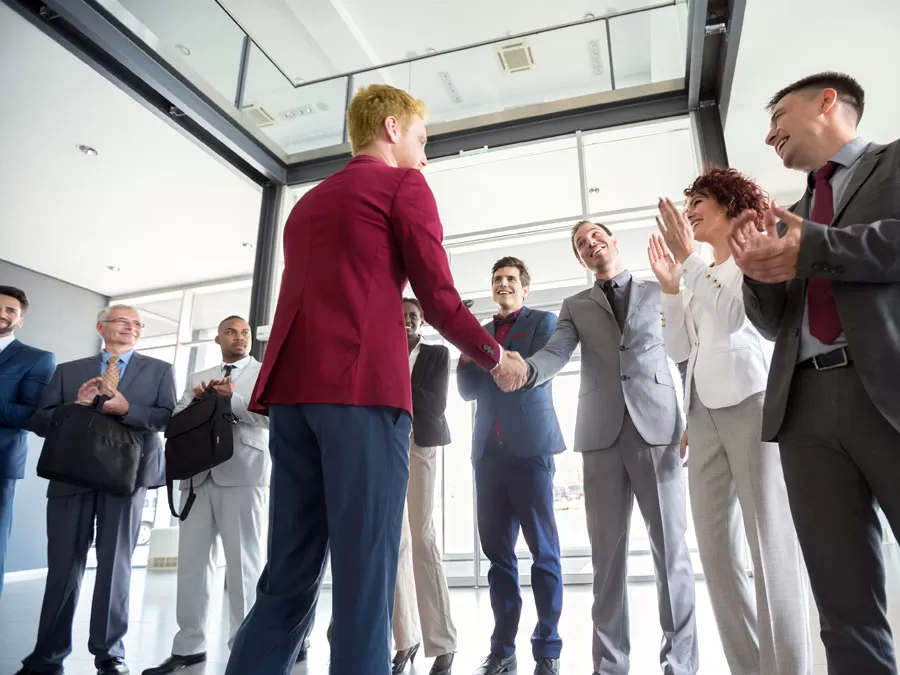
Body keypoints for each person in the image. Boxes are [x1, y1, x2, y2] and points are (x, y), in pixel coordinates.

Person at [224, 84, 522, 675]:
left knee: (288, 570)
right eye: (421, 139)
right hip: (361, 396)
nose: (425, 155)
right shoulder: (403, 185)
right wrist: (496, 355)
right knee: (367, 573)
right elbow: (436, 296)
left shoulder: (308, 203)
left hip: (291, 400)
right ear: (391, 128)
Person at [729, 71, 900, 675]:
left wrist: (818, 246)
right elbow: (777, 323)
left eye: (777, 116)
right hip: (803, 412)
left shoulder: (895, 163)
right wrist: (754, 270)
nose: (769, 133)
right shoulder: (790, 215)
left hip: (887, 392)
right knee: (843, 606)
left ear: (828, 101)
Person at [498, 222, 697, 675]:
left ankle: (681, 664)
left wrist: (696, 414)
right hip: (600, 437)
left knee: (672, 554)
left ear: (612, 240)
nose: (590, 243)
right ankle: (609, 665)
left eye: (594, 235)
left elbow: (686, 348)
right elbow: (555, 353)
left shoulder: (658, 289)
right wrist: (525, 369)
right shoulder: (575, 306)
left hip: (658, 430)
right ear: (580, 258)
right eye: (580, 243)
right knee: (606, 559)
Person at [650, 170, 812, 674]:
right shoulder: (696, 270)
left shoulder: (750, 253)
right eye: (688, 202)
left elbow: (736, 315)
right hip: (703, 413)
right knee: (717, 555)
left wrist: (690, 263)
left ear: (729, 206)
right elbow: (680, 348)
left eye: (699, 201)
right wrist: (672, 289)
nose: (690, 210)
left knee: (770, 545)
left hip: (753, 403)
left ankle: (789, 667)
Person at [17, 305, 176, 675]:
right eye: (123, 321)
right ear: (100, 327)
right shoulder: (67, 371)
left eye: (137, 324)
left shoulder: (160, 371)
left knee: (115, 566)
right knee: (62, 567)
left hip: (127, 477)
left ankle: (109, 656)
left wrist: (127, 408)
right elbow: (40, 421)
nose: (131, 327)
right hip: (70, 475)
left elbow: (166, 418)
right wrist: (75, 406)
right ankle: (46, 655)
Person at [143, 316, 269, 675]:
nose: (239, 337)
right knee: (193, 564)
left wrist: (236, 400)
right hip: (197, 478)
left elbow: (271, 418)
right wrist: (199, 399)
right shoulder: (199, 375)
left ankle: (245, 647)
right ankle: (189, 647)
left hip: (244, 474)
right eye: (231, 332)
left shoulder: (262, 372)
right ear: (218, 338)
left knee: (244, 564)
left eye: (245, 332)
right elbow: (178, 421)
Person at [459, 257, 565, 675]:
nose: (503, 284)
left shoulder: (543, 321)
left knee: (544, 553)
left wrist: (486, 358)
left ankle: (548, 650)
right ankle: (503, 648)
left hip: (531, 452)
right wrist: (470, 359)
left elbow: (528, 369)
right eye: (497, 279)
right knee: (498, 557)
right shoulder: (478, 334)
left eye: (510, 279)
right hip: (488, 455)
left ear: (524, 288)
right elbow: (468, 389)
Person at [391, 297, 456, 675]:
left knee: (422, 537)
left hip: (420, 445)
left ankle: (443, 641)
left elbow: (434, 403)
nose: (408, 321)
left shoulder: (436, 354)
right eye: (401, 316)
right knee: (394, 542)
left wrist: (393, 388)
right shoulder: (379, 348)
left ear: (422, 322)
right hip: (385, 447)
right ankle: (406, 638)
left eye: (413, 316)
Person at [0, 285, 56, 600]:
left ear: (20, 320)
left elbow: (36, 416)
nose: (3, 314)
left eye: (11, 310)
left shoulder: (37, 359)